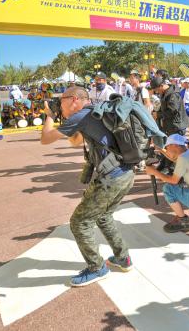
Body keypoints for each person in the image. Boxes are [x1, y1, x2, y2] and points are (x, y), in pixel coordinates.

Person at [40, 86, 135, 286]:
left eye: (62, 100)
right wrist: (69, 126)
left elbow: (45, 138)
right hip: (125, 173)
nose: (60, 104)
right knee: (103, 216)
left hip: (110, 177)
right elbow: (75, 141)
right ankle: (122, 258)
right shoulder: (97, 112)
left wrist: (49, 114)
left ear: (74, 99)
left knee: (79, 222)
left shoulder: (82, 115)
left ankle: (97, 268)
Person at [145, 134, 189, 231]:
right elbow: (175, 158)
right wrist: (160, 149)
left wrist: (154, 172)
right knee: (183, 185)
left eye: (167, 147)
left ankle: (183, 221)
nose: (167, 149)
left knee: (168, 188)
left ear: (175, 145)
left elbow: (173, 181)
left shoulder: (183, 159)